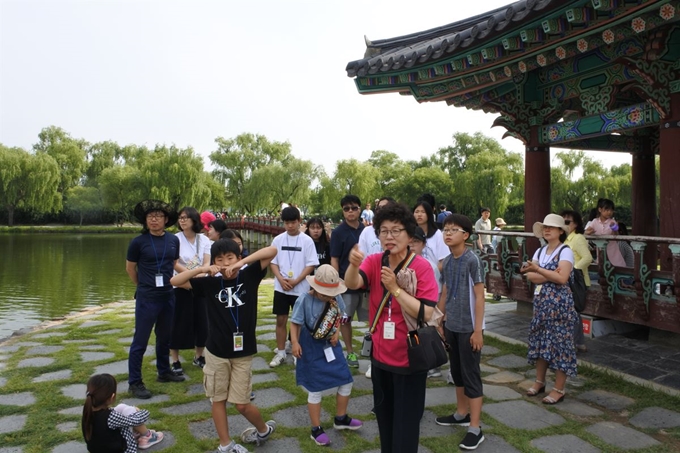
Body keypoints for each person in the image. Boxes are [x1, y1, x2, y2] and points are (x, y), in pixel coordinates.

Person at [345, 202, 439, 453]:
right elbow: (352, 284)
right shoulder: (375, 261)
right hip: (381, 358)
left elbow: (426, 311)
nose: (389, 236)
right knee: (385, 421)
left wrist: (395, 289)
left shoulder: (421, 267)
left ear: (409, 235)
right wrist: (353, 264)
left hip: (410, 359)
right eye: (384, 231)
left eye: (396, 230)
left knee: (406, 426)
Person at [170, 239, 278, 453]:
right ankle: (225, 445)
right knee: (217, 399)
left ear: (238, 258)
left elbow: (272, 250)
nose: (226, 263)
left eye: (230, 258)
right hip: (216, 351)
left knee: (241, 404)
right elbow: (175, 281)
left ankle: (263, 430)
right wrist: (202, 269)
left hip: (243, 352)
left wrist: (242, 263)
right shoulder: (209, 283)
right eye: (220, 259)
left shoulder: (249, 275)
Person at [290, 265, 363, 446]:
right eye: (324, 294)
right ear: (314, 287)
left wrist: (337, 332)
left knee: (346, 380)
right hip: (311, 346)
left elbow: (339, 316)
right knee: (315, 388)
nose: (328, 297)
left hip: (331, 344)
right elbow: (295, 323)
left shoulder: (335, 297)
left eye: (331, 293)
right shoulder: (304, 300)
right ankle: (316, 429)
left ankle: (341, 418)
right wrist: (295, 342)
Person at [435, 214, 486, 450]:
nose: (447, 233)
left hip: (469, 329)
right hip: (452, 325)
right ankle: (461, 413)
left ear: (465, 235)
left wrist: (478, 331)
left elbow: (479, 295)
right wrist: (439, 319)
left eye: (453, 230)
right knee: (456, 372)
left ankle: (475, 428)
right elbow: (445, 292)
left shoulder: (472, 260)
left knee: (471, 375)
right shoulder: (447, 261)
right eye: (445, 229)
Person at [125, 199, 185, 400]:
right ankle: (135, 382)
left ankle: (164, 371)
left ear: (166, 219)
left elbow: (173, 263)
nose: (154, 220)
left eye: (158, 216)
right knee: (140, 340)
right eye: (150, 217)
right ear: (145, 220)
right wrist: (142, 286)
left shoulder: (173, 240)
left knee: (165, 336)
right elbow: (130, 268)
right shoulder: (138, 242)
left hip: (168, 295)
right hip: (147, 297)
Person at [521, 214, 578, 406]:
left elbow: (563, 279)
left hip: (560, 306)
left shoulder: (565, 251)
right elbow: (531, 276)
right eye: (545, 227)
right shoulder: (540, 250)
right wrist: (550, 273)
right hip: (541, 304)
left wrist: (539, 271)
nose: (547, 230)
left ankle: (559, 389)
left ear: (561, 231)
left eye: (552, 227)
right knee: (540, 342)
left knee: (561, 345)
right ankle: (539, 381)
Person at [269, 206, 319, 367]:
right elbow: (273, 262)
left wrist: (297, 280)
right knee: (281, 319)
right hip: (281, 287)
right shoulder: (278, 240)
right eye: (287, 223)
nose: (290, 226)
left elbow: (311, 264)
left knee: (300, 322)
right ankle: (281, 352)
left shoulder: (307, 240)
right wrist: (281, 279)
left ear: (299, 221)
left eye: (293, 222)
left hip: (300, 287)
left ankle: (298, 351)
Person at [170, 206, 211, 375]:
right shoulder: (175, 239)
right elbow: (174, 263)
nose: (182, 220)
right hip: (180, 284)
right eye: (180, 217)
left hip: (200, 283)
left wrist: (199, 274)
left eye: (186, 217)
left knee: (202, 321)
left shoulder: (204, 240)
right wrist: (189, 274)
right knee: (177, 322)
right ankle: (175, 359)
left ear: (194, 220)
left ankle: (199, 356)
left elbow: (207, 262)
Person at [82, 373, 164, 453]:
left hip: (97, 449)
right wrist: (140, 411)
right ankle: (148, 436)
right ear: (112, 397)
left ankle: (138, 433)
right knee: (132, 411)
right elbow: (135, 420)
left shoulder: (87, 411)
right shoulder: (110, 416)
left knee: (121, 407)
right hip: (122, 450)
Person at [330, 194, 365, 368]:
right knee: (345, 319)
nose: (350, 211)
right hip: (346, 283)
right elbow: (334, 259)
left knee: (371, 319)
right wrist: (337, 282)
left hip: (366, 282)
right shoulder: (338, 232)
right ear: (343, 212)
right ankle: (350, 351)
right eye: (346, 209)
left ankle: (373, 350)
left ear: (360, 209)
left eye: (354, 208)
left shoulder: (366, 230)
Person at [409, 226, 444, 380]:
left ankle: (433, 364)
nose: (411, 245)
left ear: (423, 244)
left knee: (427, 335)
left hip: (426, 307)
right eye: (409, 241)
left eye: (415, 242)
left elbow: (437, 291)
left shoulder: (429, 266)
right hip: (408, 308)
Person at [561, 210, 593, 353]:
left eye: (568, 222)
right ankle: (579, 342)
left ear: (576, 224)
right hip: (569, 279)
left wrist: (573, 269)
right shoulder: (566, 239)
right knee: (573, 311)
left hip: (577, 280)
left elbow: (587, 258)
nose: (565, 225)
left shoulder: (578, 238)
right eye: (563, 222)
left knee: (572, 311)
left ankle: (574, 343)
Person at [584, 198, 626, 267]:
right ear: (600, 209)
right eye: (607, 210)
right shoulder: (595, 222)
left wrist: (614, 229)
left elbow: (616, 236)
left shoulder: (612, 222)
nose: (609, 212)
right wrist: (588, 233)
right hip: (601, 253)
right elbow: (586, 232)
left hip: (613, 253)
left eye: (611, 210)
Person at [413, 201, 449, 271]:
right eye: (416, 212)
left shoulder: (437, 234)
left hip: (433, 277)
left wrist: (431, 274)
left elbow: (444, 260)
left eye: (423, 212)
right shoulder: (409, 234)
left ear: (429, 214)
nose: (419, 215)